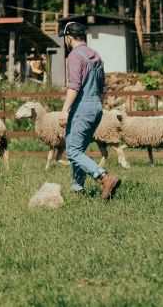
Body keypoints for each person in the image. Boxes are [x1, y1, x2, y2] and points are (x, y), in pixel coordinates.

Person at [61, 21, 121, 200]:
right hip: (96, 106)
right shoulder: (96, 55)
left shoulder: (74, 56)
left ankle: (103, 177)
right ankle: (77, 188)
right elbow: (103, 85)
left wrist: (65, 110)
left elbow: (74, 86)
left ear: (69, 37)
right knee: (77, 148)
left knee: (72, 151)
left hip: (82, 107)